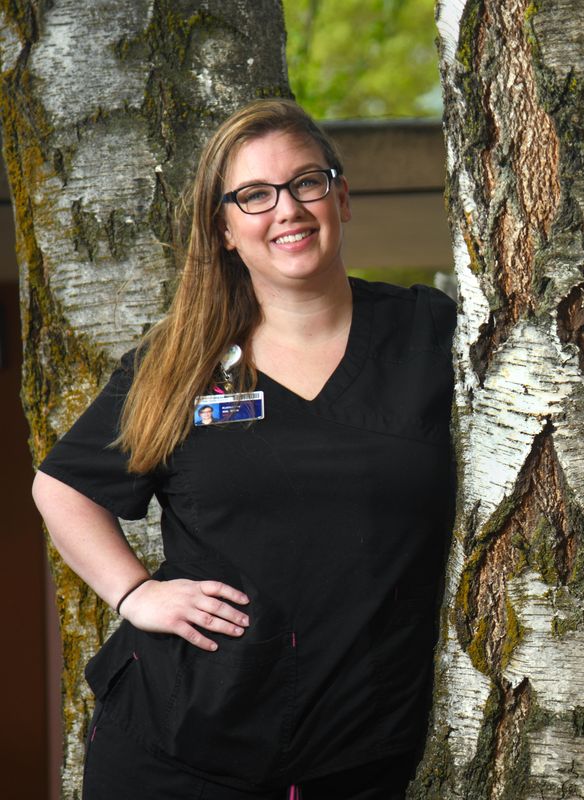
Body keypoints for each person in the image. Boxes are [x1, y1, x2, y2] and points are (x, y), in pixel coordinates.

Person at [32, 99, 455, 799]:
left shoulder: (428, 336)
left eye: (306, 183)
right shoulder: (179, 364)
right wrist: (135, 593)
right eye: (254, 196)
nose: (286, 209)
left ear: (341, 197)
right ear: (224, 229)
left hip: (361, 758)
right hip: (177, 751)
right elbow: (63, 486)